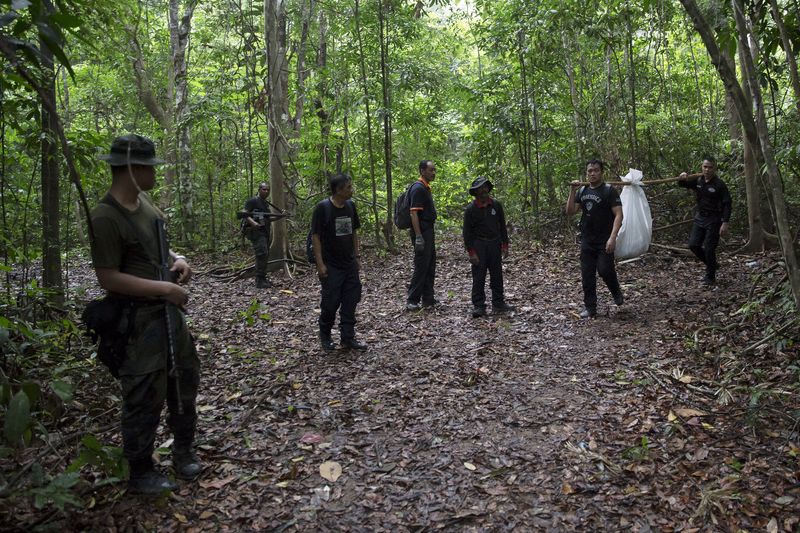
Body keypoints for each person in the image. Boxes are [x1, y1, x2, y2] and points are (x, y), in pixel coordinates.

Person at [91, 134, 202, 494]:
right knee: (143, 395)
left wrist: (177, 260)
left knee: (184, 380)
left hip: (169, 317)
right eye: (149, 168)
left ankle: (183, 450)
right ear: (131, 170)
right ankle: (140, 471)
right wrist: (165, 290)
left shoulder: (146, 205)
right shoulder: (106, 216)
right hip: (138, 323)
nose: (154, 174)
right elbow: (107, 276)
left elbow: (160, 249)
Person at [311, 173, 367, 352]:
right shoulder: (323, 208)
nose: (351, 190)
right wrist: (320, 264)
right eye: (348, 187)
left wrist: (357, 257)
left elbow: (354, 233)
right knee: (331, 301)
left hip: (348, 263)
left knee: (351, 300)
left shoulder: (351, 206)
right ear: (338, 190)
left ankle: (348, 337)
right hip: (331, 264)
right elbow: (316, 236)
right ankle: (325, 336)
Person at [566, 159, 624, 319]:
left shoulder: (608, 190)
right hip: (587, 239)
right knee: (587, 274)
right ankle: (590, 307)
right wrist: (572, 191)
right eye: (590, 171)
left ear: (601, 172)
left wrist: (613, 237)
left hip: (604, 239)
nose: (592, 173)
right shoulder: (582, 191)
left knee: (605, 270)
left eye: (596, 170)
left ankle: (616, 290)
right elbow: (570, 211)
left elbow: (619, 214)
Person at [462, 176, 515, 318]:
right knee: (479, 276)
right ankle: (479, 306)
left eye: (485, 187)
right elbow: (467, 233)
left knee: (497, 275)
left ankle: (498, 303)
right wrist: (471, 252)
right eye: (480, 188)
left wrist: (505, 245)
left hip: (494, 243)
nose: (484, 190)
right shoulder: (470, 209)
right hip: (479, 244)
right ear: (476, 192)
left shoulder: (496, 205)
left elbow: (502, 226)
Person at [677, 156, 732, 285]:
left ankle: (710, 276)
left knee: (709, 248)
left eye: (710, 167)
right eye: (705, 167)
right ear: (702, 167)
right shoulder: (698, 180)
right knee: (693, 245)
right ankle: (712, 264)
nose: (707, 170)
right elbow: (683, 184)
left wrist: (725, 222)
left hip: (714, 219)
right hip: (700, 217)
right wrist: (682, 177)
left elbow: (727, 204)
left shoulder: (719, 184)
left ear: (714, 168)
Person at [406, 160, 438, 311]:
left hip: (428, 231)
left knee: (430, 263)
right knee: (421, 265)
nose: (433, 173)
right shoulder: (418, 188)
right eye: (431, 170)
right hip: (422, 232)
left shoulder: (425, 187)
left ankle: (428, 298)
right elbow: (413, 213)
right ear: (422, 171)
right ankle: (412, 299)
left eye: (434, 170)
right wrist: (418, 236)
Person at [243, 182, 275, 289]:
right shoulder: (253, 201)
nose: (266, 191)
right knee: (262, 253)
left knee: (265, 254)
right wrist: (253, 223)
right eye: (264, 189)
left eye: (267, 190)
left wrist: (281, 216)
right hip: (255, 232)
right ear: (259, 190)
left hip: (265, 232)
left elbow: (268, 219)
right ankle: (259, 280)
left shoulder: (266, 204)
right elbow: (244, 213)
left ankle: (262, 278)